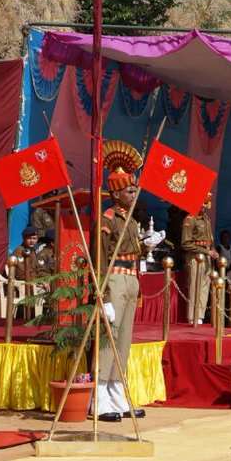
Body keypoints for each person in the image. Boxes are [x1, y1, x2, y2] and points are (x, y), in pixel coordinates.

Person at [96, 166, 144, 422]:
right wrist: (103, 296)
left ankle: (117, 390)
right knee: (109, 339)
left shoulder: (132, 220)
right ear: (115, 194)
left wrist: (146, 245)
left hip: (130, 277)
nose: (133, 192)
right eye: (129, 189)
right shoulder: (107, 219)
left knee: (124, 339)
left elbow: (132, 251)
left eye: (134, 188)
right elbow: (100, 257)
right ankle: (100, 394)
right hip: (114, 279)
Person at [182, 194, 215, 325]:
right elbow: (185, 243)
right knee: (194, 285)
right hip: (195, 256)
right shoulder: (190, 219)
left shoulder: (206, 219)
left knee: (204, 286)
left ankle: (200, 315)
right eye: (201, 202)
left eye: (205, 203)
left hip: (207, 255)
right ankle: (192, 316)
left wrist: (211, 251)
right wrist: (206, 251)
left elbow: (209, 239)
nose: (203, 205)